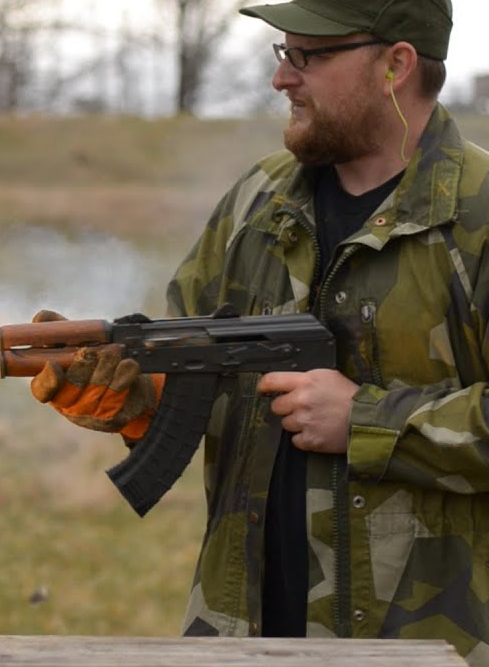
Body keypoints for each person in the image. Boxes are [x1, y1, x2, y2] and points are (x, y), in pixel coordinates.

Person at [29, 0, 489, 663]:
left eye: (309, 55)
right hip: (242, 637)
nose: (282, 79)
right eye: (283, 53)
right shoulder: (258, 203)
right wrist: (121, 395)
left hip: (431, 646)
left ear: (395, 65)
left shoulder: (474, 217)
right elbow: (189, 381)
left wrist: (363, 419)